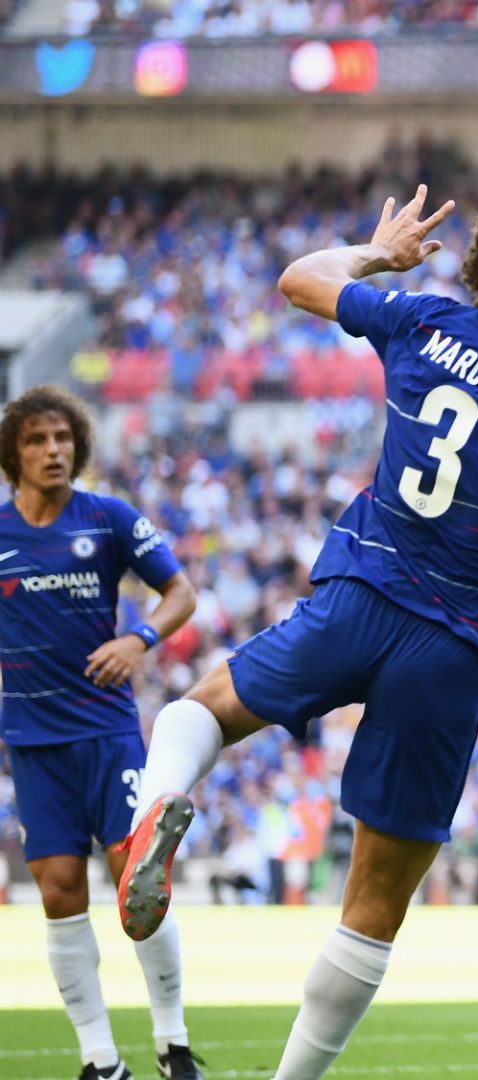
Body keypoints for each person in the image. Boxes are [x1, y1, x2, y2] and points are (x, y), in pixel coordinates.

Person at [115, 184, 478, 1079]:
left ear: (477, 275)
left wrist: (381, 255)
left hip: (359, 595)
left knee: (190, 718)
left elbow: (299, 278)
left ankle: (159, 806)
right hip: (451, 646)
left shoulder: (419, 322)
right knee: (375, 900)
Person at [0, 386, 202, 1080]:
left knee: (137, 887)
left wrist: (140, 638)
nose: (52, 451)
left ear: (77, 445)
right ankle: (101, 1060)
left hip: (107, 732)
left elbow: (181, 592)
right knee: (58, 892)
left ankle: (173, 1046)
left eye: (61, 438)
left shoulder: (109, 519)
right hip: (32, 740)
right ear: (13, 454)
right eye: (35, 440)